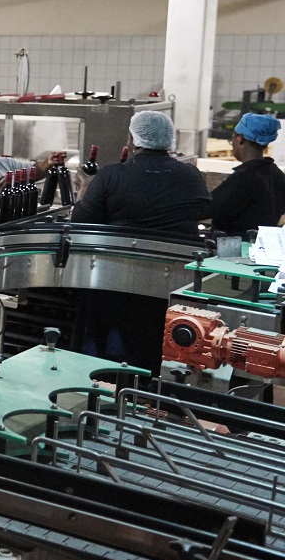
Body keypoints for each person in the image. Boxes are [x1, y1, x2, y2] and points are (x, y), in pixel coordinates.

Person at [69, 110, 210, 372]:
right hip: (170, 289)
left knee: (105, 358)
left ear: (133, 141)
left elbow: (81, 221)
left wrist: (85, 188)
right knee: (155, 353)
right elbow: (202, 212)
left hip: (113, 283)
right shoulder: (191, 176)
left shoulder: (112, 175)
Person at [203, 113, 285, 238]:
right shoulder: (276, 174)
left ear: (239, 139)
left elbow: (207, 209)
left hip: (235, 247)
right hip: (262, 245)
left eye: (232, 139)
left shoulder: (245, 177)